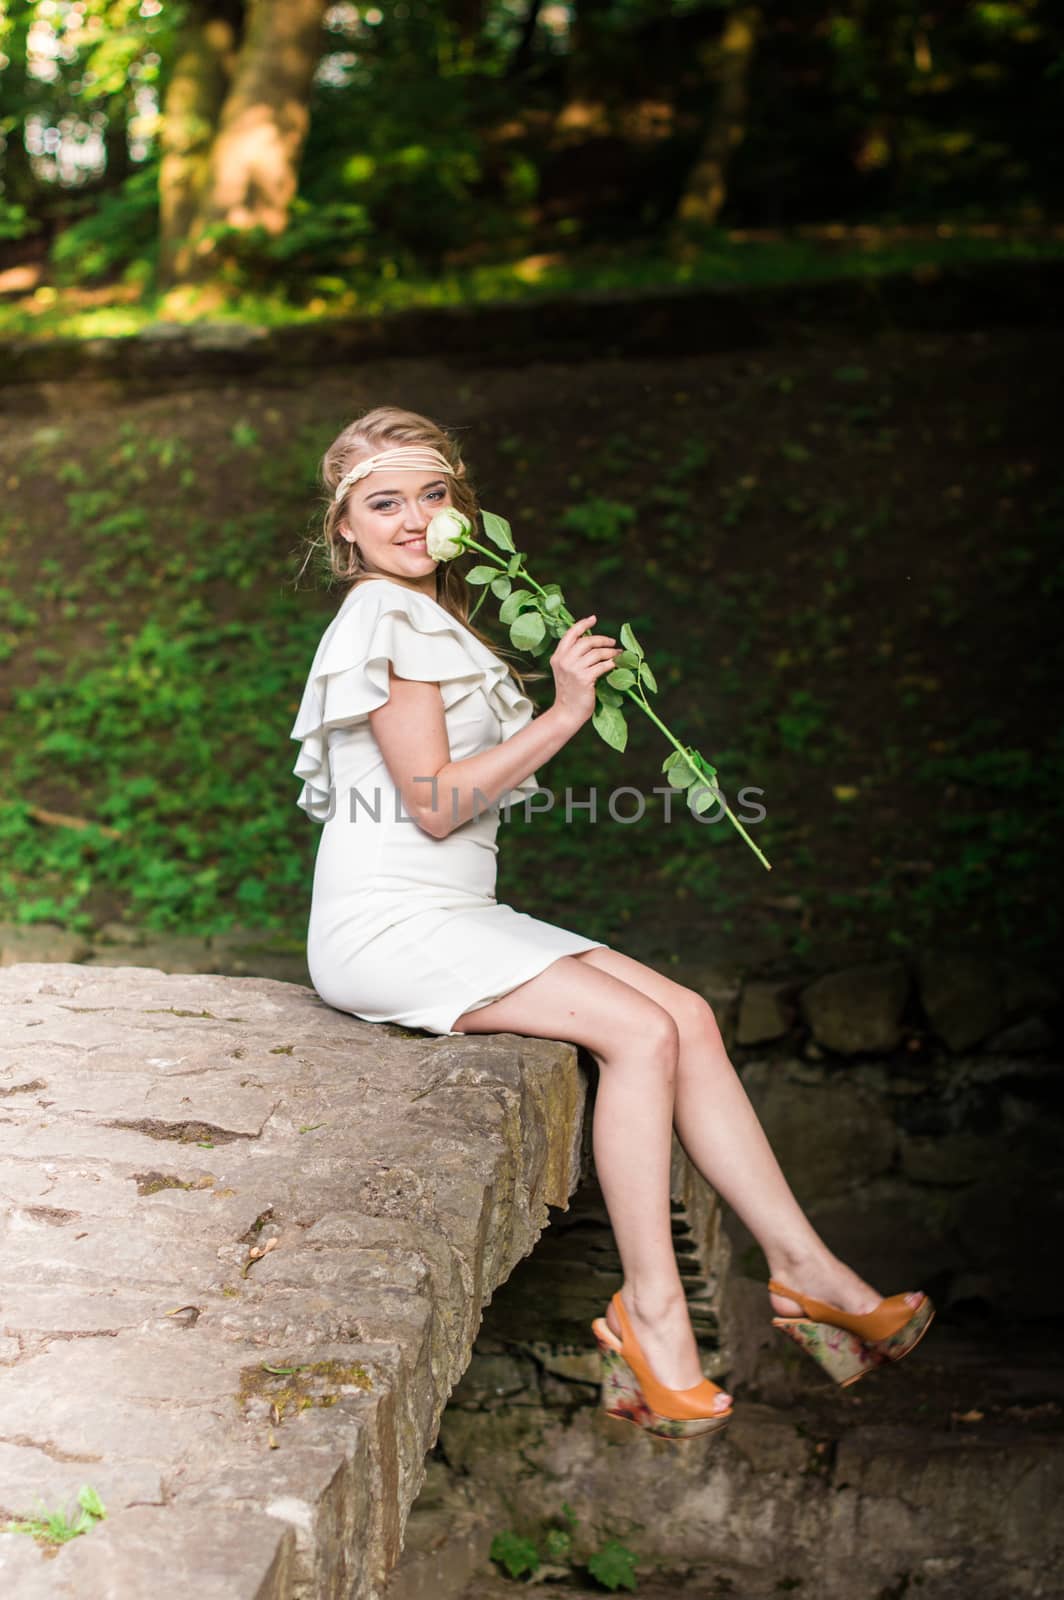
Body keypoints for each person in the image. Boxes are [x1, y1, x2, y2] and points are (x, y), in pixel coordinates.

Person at [291, 405, 933, 1442]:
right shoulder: (379, 616)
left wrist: (564, 699)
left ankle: (810, 1273)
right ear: (346, 531)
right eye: (384, 503)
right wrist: (561, 715)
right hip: (388, 922)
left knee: (683, 1014)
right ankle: (650, 1313)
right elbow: (435, 803)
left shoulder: (435, 616)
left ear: (464, 509)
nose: (414, 519)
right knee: (636, 1032)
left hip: (452, 909)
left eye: (433, 494)